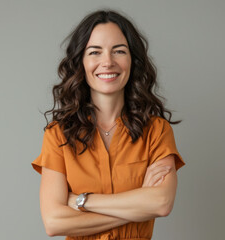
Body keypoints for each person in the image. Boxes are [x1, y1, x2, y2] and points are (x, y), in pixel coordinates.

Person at [31, 10, 185, 240]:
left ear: (133, 60)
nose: (108, 62)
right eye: (95, 52)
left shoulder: (157, 131)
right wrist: (139, 204)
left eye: (119, 51)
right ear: (80, 62)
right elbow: (54, 222)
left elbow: (161, 203)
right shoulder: (58, 135)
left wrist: (82, 201)